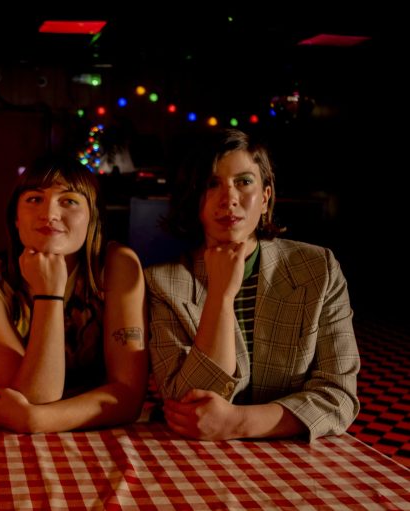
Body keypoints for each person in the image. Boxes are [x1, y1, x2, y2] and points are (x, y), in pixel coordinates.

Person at [146, 128, 360, 442]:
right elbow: (187, 403)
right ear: (195, 200)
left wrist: (239, 422)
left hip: (294, 454)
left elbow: (339, 396)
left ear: (265, 197)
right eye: (212, 184)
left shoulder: (318, 268)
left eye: (244, 182)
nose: (229, 198)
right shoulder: (162, 282)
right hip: (196, 456)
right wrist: (221, 295)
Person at [0, 155, 148, 433]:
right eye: (35, 199)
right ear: (16, 218)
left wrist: (37, 420)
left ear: (92, 217)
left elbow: (129, 396)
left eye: (69, 201)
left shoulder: (117, 266)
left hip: (97, 431)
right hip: (4, 437)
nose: (49, 214)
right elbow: (33, 397)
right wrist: (49, 295)